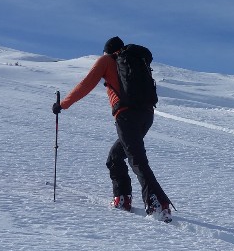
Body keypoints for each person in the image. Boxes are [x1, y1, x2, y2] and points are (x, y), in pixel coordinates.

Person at [52, 36, 173, 223]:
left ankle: (158, 204)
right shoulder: (134, 61)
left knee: (136, 159)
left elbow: (86, 84)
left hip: (126, 116)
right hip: (146, 115)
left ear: (107, 51)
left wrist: (63, 105)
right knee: (115, 157)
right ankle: (122, 198)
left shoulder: (107, 60)